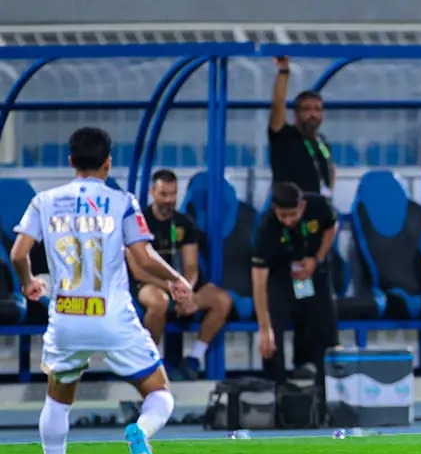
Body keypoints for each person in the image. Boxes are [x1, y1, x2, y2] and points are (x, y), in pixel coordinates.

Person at [9, 127, 192, 454]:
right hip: (112, 317)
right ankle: (140, 431)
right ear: (108, 164)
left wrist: (29, 281)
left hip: (67, 318)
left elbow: (17, 254)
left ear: (71, 162)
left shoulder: (44, 200)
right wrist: (176, 279)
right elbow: (142, 257)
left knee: (57, 401)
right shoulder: (120, 201)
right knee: (160, 394)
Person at [128, 169, 234, 380]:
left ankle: (195, 358)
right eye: (163, 194)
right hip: (149, 283)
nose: (169, 200)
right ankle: (151, 362)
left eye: (173, 194)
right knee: (159, 302)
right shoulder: (138, 222)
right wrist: (171, 287)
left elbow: (191, 264)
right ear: (152, 192)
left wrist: (187, 288)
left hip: (179, 286)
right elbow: (138, 270)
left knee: (222, 300)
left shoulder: (184, 223)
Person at [251, 181, 339, 384]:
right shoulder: (266, 229)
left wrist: (318, 258)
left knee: (326, 330)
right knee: (273, 335)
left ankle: (326, 388)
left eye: (293, 215)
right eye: (283, 216)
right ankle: (277, 389)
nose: (289, 220)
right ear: (275, 209)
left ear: (303, 206)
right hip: (281, 276)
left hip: (313, 270)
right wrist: (265, 329)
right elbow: (259, 282)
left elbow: (331, 226)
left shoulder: (319, 206)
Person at [268, 56, 335, 197]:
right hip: (290, 211)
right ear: (296, 114)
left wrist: (329, 191)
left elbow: (330, 166)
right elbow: (278, 104)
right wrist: (284, 71)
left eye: (318, 109)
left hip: (318, 208)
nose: (313, 114)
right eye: (307, 109)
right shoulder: (283, 136)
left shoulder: (321, 141)